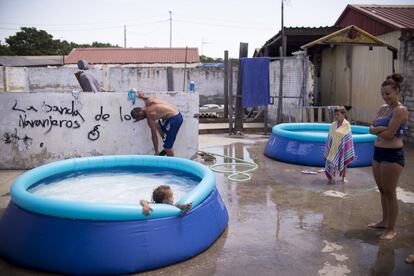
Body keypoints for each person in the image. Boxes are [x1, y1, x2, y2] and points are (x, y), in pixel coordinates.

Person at [368, 73, 408, 241]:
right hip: (378, 153)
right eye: (383, 94)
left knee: (390, 192)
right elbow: (370, 128)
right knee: (382, 190)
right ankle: (384, 221)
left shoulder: (401, 110)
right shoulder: (382, 108)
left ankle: (392, 229)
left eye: (388, 93)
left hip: (392, 155)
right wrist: (378, 130)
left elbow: (391, 134)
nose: (385, 97)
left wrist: (377, 130)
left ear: (397, 92)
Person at [130, 91, 183, 156]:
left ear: (141, 114)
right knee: (157, 124)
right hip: (173, 115)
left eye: (140, 118)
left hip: (175, 120)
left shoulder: (150, 115)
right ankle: (167, 141)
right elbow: (142, 95)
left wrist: (156, 151)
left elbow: (154, 136)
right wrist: (140, 96)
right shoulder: (148, 101)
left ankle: (168, 152)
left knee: (168, 147)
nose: (141, 119)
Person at [324, 106, 355, 184]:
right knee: (331, 160)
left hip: (343, 147)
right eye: (335, 115)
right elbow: (330, 137)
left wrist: (340, 143)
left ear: (343, 114)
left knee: (344, 162)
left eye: (338, 114)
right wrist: (330, 146)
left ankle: (343, 178)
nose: (336, 116)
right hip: (333, 148)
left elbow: (348, 138)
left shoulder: (347, 125)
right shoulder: (333, 125)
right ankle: (332, 176)